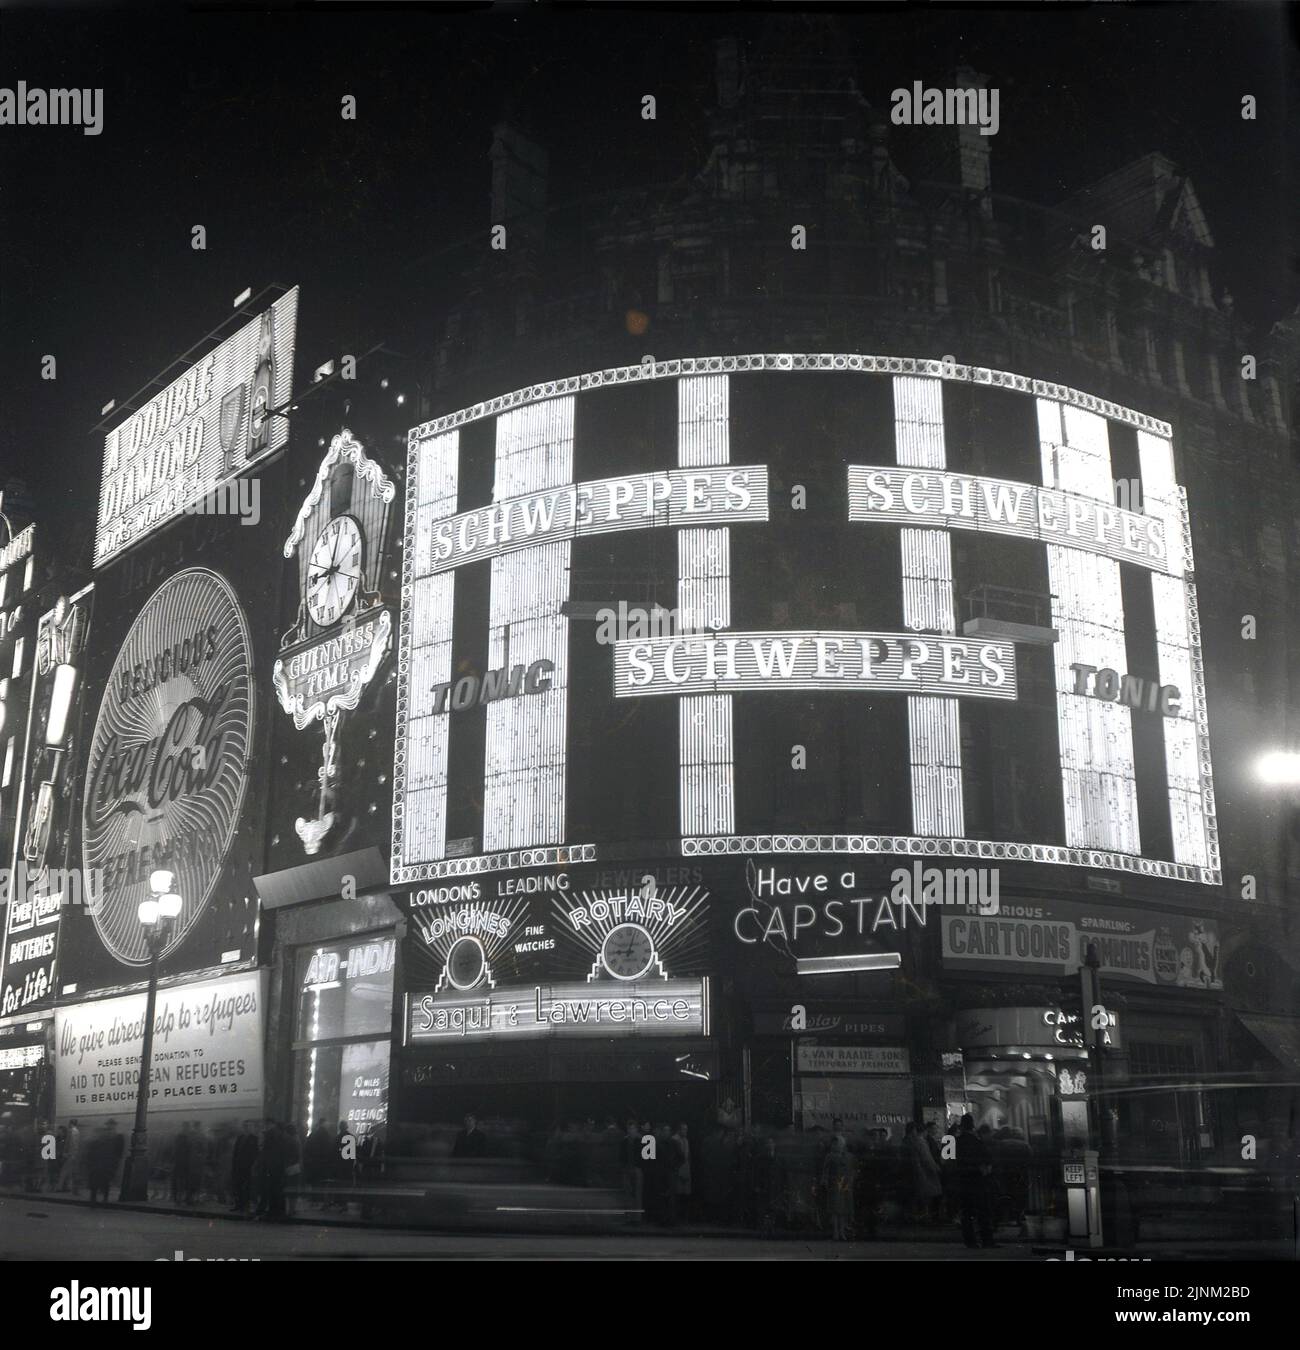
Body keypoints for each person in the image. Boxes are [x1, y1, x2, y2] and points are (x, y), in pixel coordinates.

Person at [956, 1113, 995, 1249]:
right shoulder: (977, 1142)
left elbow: (947, 1161)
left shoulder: (955, 1142)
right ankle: (986, 1240)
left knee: (966, 1212)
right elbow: (987, 1160)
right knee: (982, 1211)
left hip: (962, 1181)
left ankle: (970, 1241)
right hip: (977, 1180)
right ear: (972, 1126)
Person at [907, 1120, 943, 1224]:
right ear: (925, 1131)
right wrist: (936, 1168)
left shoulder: (914, 1142)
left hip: (920, 1173)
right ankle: (930, 1217)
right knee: (932, 1196)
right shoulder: (921, 1142)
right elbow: (927, 1160)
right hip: (926, 1175)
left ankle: (924, 1216)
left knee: (924, 1197)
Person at [821, 1134, 856, 1241]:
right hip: (834, 1183)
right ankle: (835, 1232)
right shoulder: (829, 1156)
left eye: (838, 1143)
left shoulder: (849, 1156)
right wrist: (825, 1180)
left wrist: (851, 1180)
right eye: (834, 1143)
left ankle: (842, 1231)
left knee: (845, 1208)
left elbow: (853, 1170)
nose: (835, 1145)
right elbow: (825, 1170)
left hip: (846, 1184)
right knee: (835, 1209)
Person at [86, 1119, 124, 1206]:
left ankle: (101, 1199)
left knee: (104, 1182)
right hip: (99, 1164)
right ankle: (95, 1199)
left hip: (106, 1164)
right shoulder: (101, 1139)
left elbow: (118, 1152)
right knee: (96, 1182)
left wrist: (115, 1164)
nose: (110, 1127)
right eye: (109, 1125)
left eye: (111, 1125)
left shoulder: (117, 1137)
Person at [231, 1120, 259, 1213]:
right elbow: (236, 1152)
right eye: (246, 1126)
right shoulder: (240, 1138)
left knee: (247, 1186)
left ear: (253, 1127)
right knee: (238, 1186)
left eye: (249, 1126)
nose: (247, 1128)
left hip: (248, 1166)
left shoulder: (255, 1139)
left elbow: (256, 1154)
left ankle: (245, 1205)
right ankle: (239, 1204)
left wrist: (254, 1166)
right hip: (239, 1166)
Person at [672, 1123, 692, 1220]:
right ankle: (677, 1217)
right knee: (678, 1193)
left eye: (686, 1129)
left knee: (685, 1194)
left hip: (685, 1170)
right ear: (679, 1130)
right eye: (683, 1129)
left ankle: (684, 1217)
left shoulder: (686, 1140)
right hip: (678, 1170)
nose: (685, 1131)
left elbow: (687, 1156)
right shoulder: (675, 1140)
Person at [186, 1121, 208, 1204]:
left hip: (198, 1163)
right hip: (193, 1162)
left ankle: (195, 1198)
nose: (196, 1128)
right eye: (195, 1127)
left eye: (197, 1127)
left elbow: (205, 1150)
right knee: (193, 1180)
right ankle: (192, 1198)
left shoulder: (201, 1137)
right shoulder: (195, 1136)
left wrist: (200, 1156)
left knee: (197, 1181)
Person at [58, 1118, 81, 1194]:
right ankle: (71, 1188)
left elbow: (68, 1143)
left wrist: (65, 1153)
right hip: (75, 1154)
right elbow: (77, 1144)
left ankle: (60, 1187)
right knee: (72, 1172)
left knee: (64, 1171)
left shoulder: (70, 1131)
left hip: (70, 1154)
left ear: (71, 1123)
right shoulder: (77, 1132)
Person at [171, 1122, 191, 1204]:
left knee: (179, 1180)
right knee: (182, 1181)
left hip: (180, 1163)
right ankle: (181, 1197)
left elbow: (175, 1151)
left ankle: (178, 1197)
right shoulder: (187, 1138)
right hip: (184, 1163)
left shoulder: (180, 1138)